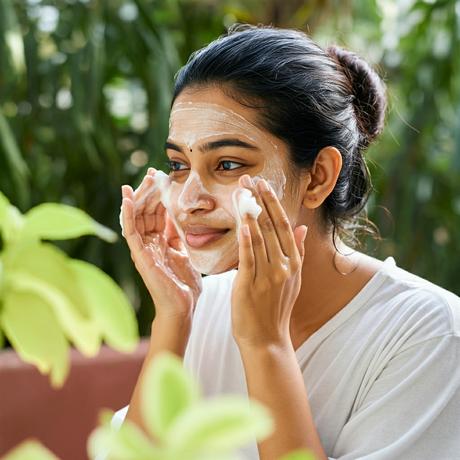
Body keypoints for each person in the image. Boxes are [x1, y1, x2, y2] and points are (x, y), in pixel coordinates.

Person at [114, 25, 460, 460]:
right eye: (179, 165)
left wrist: (265, 345)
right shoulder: (198, 308)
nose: (188, 201)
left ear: (317, 177)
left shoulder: (428, 334)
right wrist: (173, 316)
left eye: (226, 164)